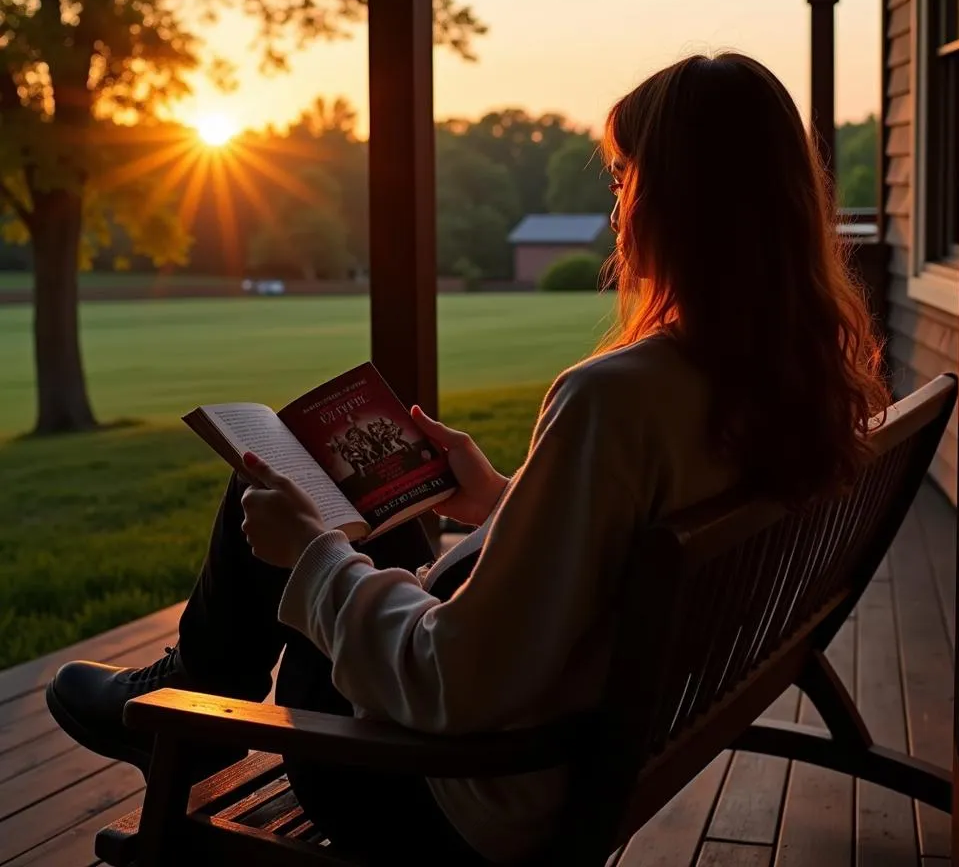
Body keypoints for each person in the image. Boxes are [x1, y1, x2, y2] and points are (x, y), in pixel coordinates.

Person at [45, 53, 887, 864]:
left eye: (623, 180)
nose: (616, 209)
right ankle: (184, 690)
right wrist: (498, 499)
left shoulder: (618, 397)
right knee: (342, 495)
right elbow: (620, 550)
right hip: (567, 750)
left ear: (675, 203)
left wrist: (311, 554)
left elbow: (459, 683)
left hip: (447, 798)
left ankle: (173, 711)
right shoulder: (788, 380)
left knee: (273, 484)